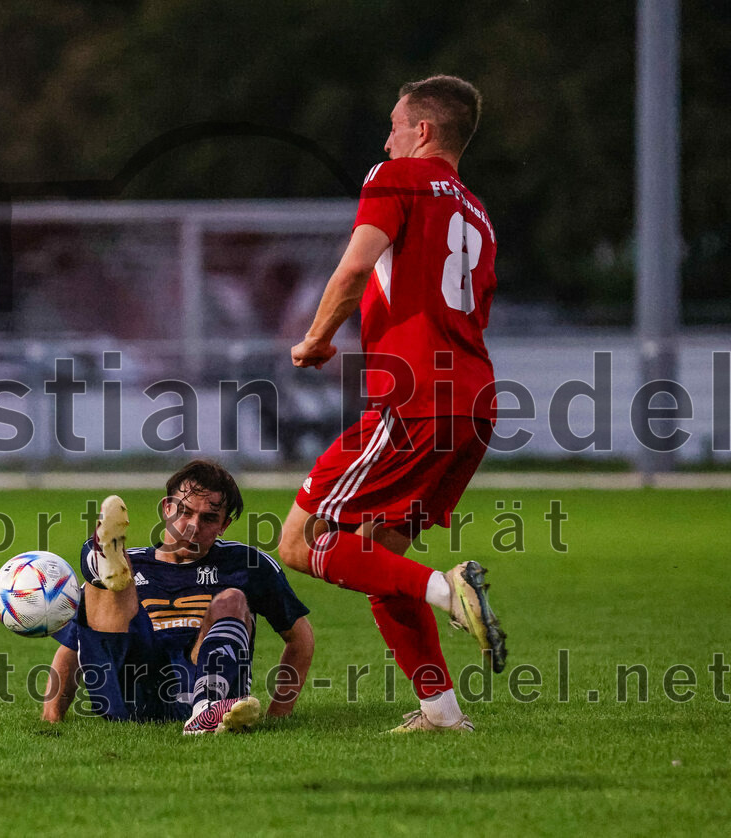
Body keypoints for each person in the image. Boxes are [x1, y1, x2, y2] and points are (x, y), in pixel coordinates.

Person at [277, 75, 507, 733]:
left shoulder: (395, 177)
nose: (386, 138)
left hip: (414, 398)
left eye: (394, 124)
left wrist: (317, 340)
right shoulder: (478, 215)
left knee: (301, 540)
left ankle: (448, 590)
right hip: (474, 404)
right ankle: (442, 713)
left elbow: (355, 267)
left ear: (423, 132)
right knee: (381, 557)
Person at [43, 459, 314, 734]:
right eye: (184, 512)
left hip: (204, 680)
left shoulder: (246, 564)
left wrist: (279, 714)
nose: (193, 527)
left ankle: (206, 708)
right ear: (166, 508)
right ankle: (100, 560)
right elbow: (72, 649)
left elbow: (300, 637)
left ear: (224, 525)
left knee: (231, 598)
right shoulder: (135, 564)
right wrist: (51, 718)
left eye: (208, 518)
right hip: (134, 686)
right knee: (110, 588)